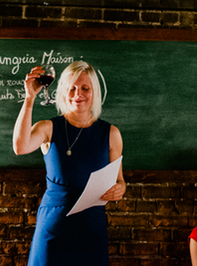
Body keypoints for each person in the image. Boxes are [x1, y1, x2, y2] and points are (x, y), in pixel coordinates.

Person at [13, 61, 125, 266]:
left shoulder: (111, 134)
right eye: (71, 88)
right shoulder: (48, 127)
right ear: (62, 91)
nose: (77, 94)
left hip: (92, 229)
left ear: (95, 92)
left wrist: (120, 189)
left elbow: (119, 181)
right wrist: (29, 98)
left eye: (85, 88)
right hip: (53, 229)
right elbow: (20, 147)